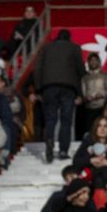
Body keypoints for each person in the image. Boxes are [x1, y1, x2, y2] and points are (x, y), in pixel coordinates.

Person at [34, 31, 84, 163]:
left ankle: (49, 139)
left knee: (50, 119)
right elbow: (80, 70)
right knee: (66, 120)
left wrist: (39, 88)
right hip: (68, 87)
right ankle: (63, 150)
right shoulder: (74, 47)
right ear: (69, 38)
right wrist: (79, 93)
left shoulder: (46, 47)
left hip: (49, 87)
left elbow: (37, 68)